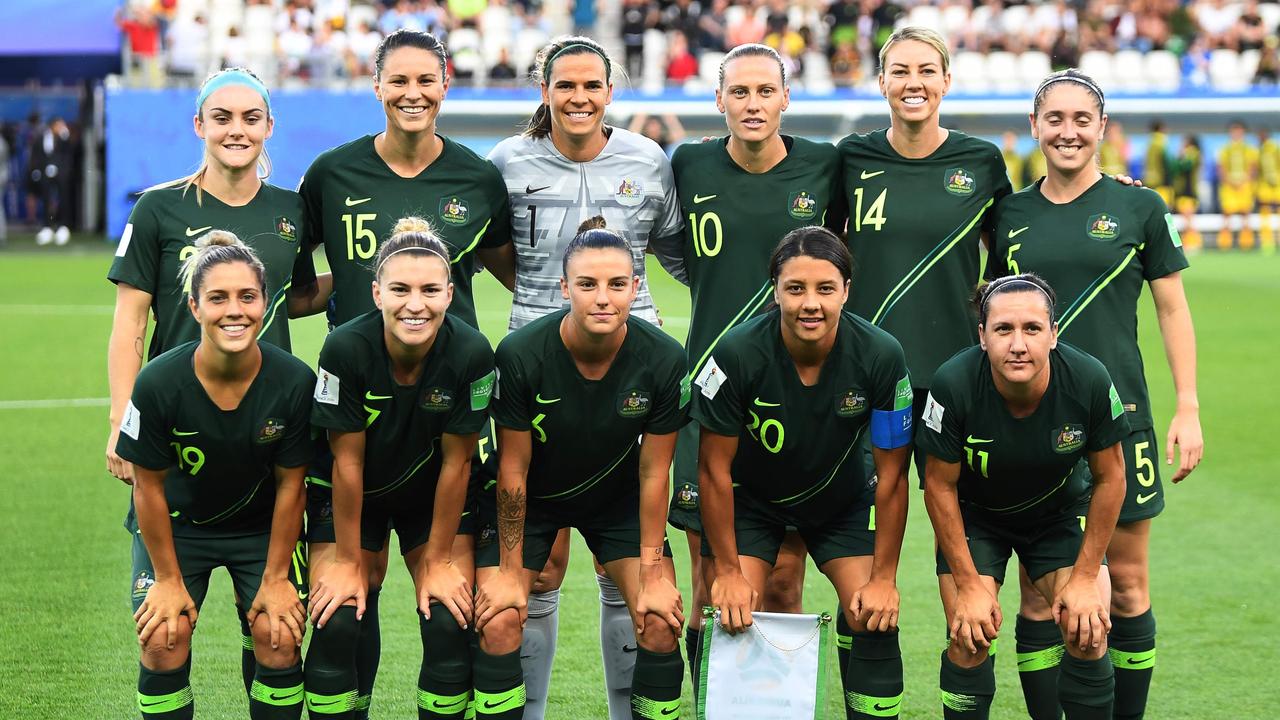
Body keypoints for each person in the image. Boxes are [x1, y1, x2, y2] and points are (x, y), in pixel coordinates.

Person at [296, 31, 514, 717]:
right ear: (377, 86)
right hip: (357, 417)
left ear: (446, 84)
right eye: (399, 80)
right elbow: (294, 282)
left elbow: (519, 273)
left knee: (450, 610)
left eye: (427, 79)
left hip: (442, 418)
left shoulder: (479, 178)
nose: (413, 93)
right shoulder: (331, 174)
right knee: (343, 603)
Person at [988, 69, 1201, 720]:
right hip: (1030, 426)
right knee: (1038, 593)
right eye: (1055, 118)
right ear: (1035, 127)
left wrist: (1187, 406)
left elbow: (1172, 311)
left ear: (1102, 129)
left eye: (1083, 119)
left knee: (1129, 583)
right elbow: (996, 316)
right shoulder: (1010, 214)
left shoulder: (1140, 209)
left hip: (1120, 419)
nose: (1068, 131)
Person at [485, 35, 684, 719]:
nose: (577, 97)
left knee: (621, 565)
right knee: (538, 569)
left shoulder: (647, 159)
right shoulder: (507, 163)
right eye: (564, 85)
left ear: (610, 91)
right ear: (544, 89)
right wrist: (546, 297)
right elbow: (489, 249)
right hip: (535, 362)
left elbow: (680, 253)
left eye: (591, 86)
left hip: (633, 368)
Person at [106, 67, 317, 698]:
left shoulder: (290, 210)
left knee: (278, 632)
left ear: (268, 127)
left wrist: (397, 294)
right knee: (164, 633)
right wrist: (122, 417)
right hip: (178, 437)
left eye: (250, 117)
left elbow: (296, 296)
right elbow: (129, 325)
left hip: (267, 431)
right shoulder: (159, 208)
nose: (236, 129)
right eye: (221, 117)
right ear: (199, 125)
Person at [668, 43, 845, 698]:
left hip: (798, 400)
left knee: (782, 581)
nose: (751, 103)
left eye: (764, 91)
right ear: (719, 100)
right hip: (711, 395)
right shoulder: (688, 165)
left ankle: (776, 708)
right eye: (738, 92)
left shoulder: (826, 166)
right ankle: (712, 708)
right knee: (711, 579)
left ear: (786, 99)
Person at [473, 219, 689, 720]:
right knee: (500, 616)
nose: (603, 298)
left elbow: (656, 472)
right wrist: (508, 572)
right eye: (587, 284)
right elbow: (513, 469)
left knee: (659, 617)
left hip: (617, 502)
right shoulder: (522, 353)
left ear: (637, 287)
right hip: (537, 500)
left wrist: (653, 573)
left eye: (617, 284)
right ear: (565, 286)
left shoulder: (663, 358)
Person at [695, 227, 912, 720]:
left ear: (847, 291)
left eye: (824, 288)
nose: (809, 303)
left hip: (841, 502)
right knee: (734, 613)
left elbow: (893, 477)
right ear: (775, 289)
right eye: (795, 288)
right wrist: (727, 572)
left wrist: (884, 577)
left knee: (871, 615)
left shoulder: (881, 355)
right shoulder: (736, 354)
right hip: (756, 503)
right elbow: (712, 470)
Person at [116, 233, 316, 720]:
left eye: (248, 297)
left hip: (261, 530)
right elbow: (148, 487)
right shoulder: (159, 382)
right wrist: (166, 579)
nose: (235, 310)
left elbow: (294, 486)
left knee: (278, 631)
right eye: (219, 298)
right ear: (194, 306)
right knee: (164, 637)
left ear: (266, 303)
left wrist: (274, 579)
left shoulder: (294, 382)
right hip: (178, 530)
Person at [304, 217, 496, 720]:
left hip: (433, 495)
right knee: (340, 614)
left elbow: (458, 463)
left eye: (431, 290)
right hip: (355, 495)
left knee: (449, 617)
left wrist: (436, 560)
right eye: (401, 290)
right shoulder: (344, 347)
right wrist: (348, 561)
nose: (416, 304)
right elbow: (346, 461)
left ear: (450, 294)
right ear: (376, 293)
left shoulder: (472, 351)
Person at [919, 273, 1129, 720]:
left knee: (1088, 630)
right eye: (1003, 329)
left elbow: (1111, 478)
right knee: (968, 635)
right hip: (977, 518)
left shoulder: (1089, 379)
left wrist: (1087, 577)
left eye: (1032, 329)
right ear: (981, 336)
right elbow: (939, 486)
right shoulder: (952, 384)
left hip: (1058, 515)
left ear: (1054, 334)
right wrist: (971, 586)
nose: (1018, 344)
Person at [29, 117, 75, 246]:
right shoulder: (42, 138)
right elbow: (36, 155)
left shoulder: (64, 138)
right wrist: (37, 170)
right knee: (46, 199)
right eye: (58, 125)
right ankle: (47, 227)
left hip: (61, 174)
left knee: (63, 198)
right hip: (45, 173)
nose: (60, 127)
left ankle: (63, 226)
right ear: (52, 126)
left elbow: (68, 155)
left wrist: (61, 168)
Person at [1215, 119, 1258, 249]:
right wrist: (1229, 181)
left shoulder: (1249, 149)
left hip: (1244, 185)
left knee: (1246, 213)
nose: (1236, 134)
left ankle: (1246, 243)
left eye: (1239, 131)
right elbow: (1221, 167)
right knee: (1227, 213)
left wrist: (1245, 181)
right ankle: (1224, 243)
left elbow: (1253, 167)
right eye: (1234, 131)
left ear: (1243, 132)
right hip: (1229, 186)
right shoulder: (1225, 149)